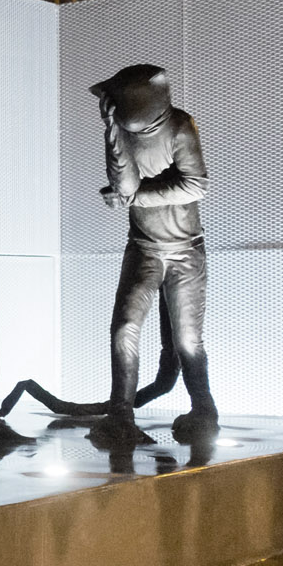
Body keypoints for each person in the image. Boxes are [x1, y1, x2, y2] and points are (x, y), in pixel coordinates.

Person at [92, 64, 217, 439]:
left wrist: (135, 199)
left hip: (184, 251)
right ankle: (121, 413)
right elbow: (125, 185)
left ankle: (203, 409)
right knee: (124, 328)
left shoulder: (179, 127)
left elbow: (196, 185)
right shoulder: (122, 131)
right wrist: (112, 134)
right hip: (144, 248)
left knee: (187, 340)